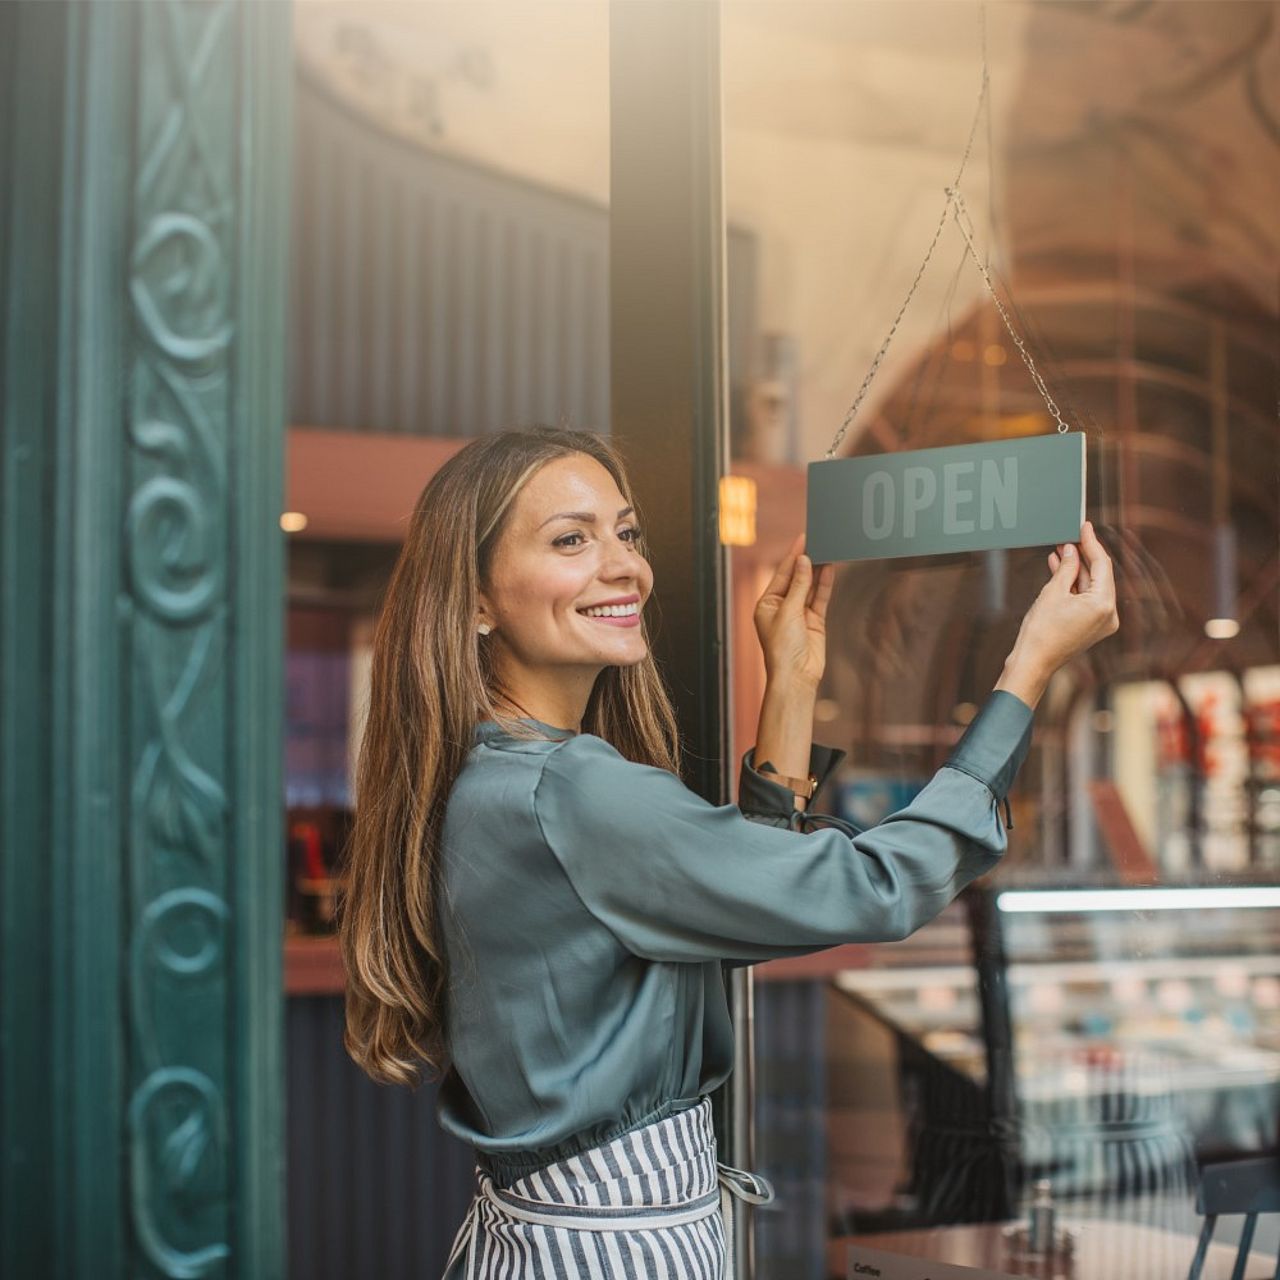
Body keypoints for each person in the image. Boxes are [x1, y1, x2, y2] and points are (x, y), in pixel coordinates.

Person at [338, 425, 1119, 1279]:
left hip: (546, 1232)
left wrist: (789, 684)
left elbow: (748, 890)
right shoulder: (573, 790)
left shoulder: (493, 773)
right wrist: (1028, 671)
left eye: (626, 533)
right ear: (477, 601)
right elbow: (877, 888)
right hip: (615, 1252)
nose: (623, 564)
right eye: (571, 539)